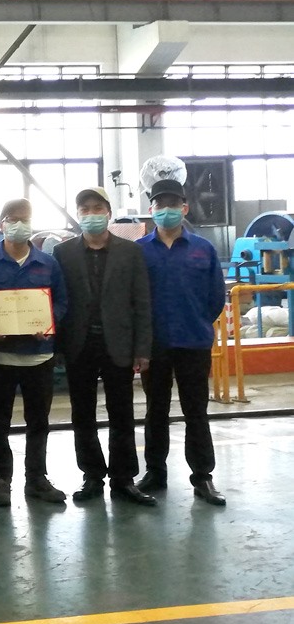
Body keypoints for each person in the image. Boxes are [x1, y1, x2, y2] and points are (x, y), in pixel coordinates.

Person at [53, 187, 156, 506]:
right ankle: (92, 476)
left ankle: (124, 479)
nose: (91, 214)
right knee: (82, 413)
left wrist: (142, 349)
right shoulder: (63, 253)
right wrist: (58, 347)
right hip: (79, 344)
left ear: (109, 213)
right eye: (85, 209)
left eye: (97, 208)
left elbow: (141, 302)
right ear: (78, 215)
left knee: (122, 412)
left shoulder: (130, 252)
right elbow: (58, 300)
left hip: (119, 343)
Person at [136, 178, 227, 506]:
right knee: (155, 410)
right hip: (155, 345)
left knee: (196, 411)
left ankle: (202, 476)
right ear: (151, 210)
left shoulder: (204, 249)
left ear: (184, 208)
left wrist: (197, 322)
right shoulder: (139, 251)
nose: (167, 210)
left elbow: (215, 297)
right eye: (160, 205)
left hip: (193, 342)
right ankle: (155, 472)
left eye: (173, 204)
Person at [0, 199, 69, 507]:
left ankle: (36, 478)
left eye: (24, 219)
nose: (19, 224)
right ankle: (2, 479)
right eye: (12, 219)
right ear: (1, 224)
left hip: (39, 356)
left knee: (38, 421)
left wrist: (49, 322)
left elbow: (61, 302)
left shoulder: (48, 263)